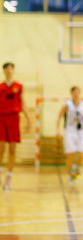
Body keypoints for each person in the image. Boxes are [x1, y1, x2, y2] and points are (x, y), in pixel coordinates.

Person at [0, 62, 31, 191]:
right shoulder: (1, 87)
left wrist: (28, 119)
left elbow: (22, 103)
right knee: (1, 147)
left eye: (11, 68)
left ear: (13, 71)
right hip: (2, 117)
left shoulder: (18, 86)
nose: (9, 70)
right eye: (7, 68)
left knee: (12, 148)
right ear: (4, 71)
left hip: (13, 118)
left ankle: (9, 176)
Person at [57, 86, 83, 184]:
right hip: (69, 132)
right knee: (70, 155)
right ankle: (71, 174)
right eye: (74, 92)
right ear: (71, 93)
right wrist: (58, 130)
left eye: (77, 92)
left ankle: (75, 167)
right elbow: (59, 117)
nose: (76, 93)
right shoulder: (67, 105)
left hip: (80, 132)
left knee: (82, 155)